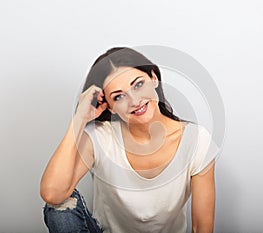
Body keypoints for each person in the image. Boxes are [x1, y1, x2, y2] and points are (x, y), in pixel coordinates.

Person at [40, 47, 219, 233]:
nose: (134, 101)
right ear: (109, 107)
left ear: (154, 78)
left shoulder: (197, 141)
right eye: (119, 96)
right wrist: (79, 119)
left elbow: (202, 227)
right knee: (59, 207)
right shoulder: (100, 136)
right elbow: (52, 194)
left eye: (138, 84)